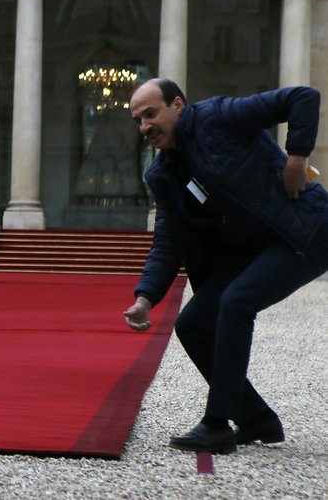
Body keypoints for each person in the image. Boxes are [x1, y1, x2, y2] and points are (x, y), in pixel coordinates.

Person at [122, 79, 328, 455]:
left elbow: (303, 97)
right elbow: (167, 241)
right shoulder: (162, 174)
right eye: (138, 120)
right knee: (192, 323)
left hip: (302, 231)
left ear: (178, 106)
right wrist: (146, 296)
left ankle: (216, 425)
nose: (145, 127)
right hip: (248, 250)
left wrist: (297, 159)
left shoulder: (218, 117)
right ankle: (255, 418)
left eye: (151, 114)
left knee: (237, 301)